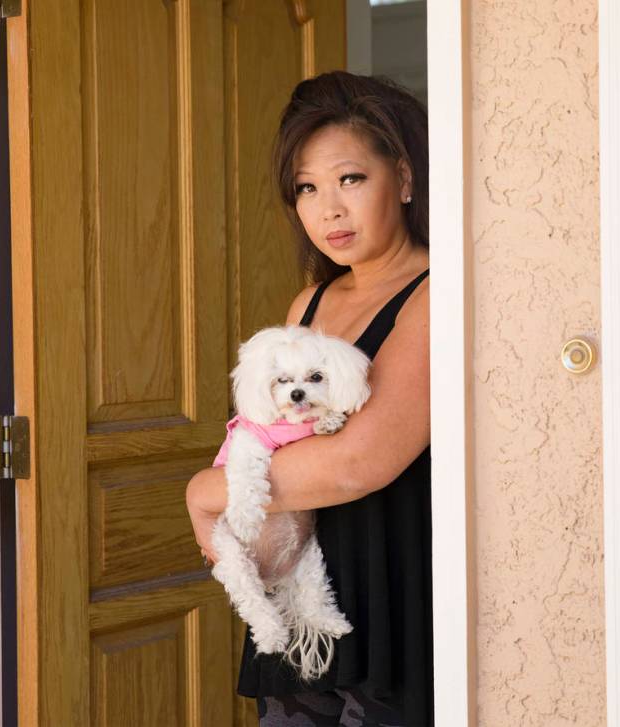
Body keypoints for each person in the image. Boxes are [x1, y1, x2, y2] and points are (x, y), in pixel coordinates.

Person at [184, 70, 433, 727]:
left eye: (351, 179)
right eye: (307, 188)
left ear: (403, 179)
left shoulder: (437, 295)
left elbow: (357, 462)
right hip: (305, 587)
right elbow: (276, 428)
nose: (330, 210)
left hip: (390, 585)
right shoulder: (312, 301)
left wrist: (204, 492)